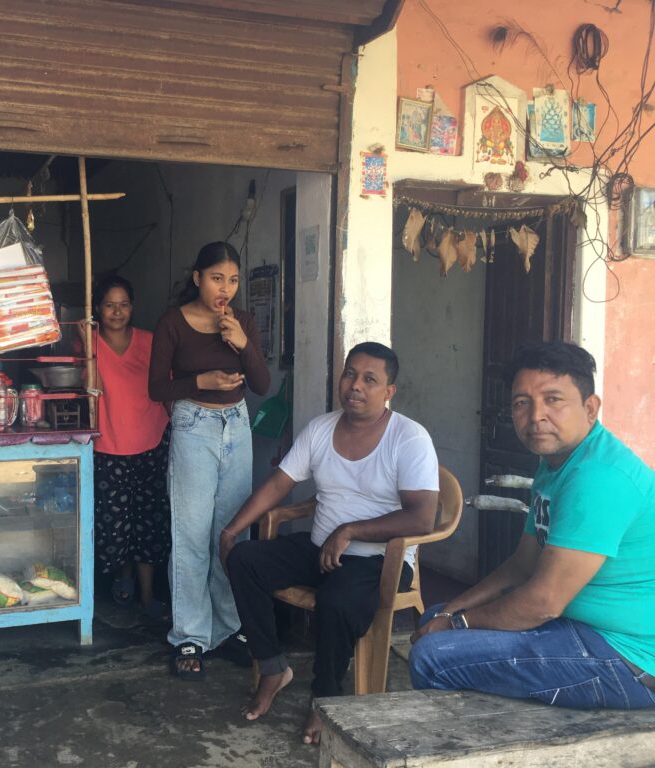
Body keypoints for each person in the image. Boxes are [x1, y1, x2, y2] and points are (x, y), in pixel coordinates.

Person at [409, 341, 655, 710]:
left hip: (626, 659)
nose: (536, 415)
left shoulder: (598, 478)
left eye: (553, 399)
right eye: (522, 402)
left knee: (434, 654)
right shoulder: (555, 463)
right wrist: (450, 614)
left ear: (590, 408)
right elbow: (522, 565)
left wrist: (457, 625)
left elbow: (543, 602)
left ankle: (473, 749)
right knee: (434, 617)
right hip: (577, 628)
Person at [220, 342, 439, 744]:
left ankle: (325, 697)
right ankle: (272, 667)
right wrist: (232, 531)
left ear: (389, 391)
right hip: (321, 549)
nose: (355, 385)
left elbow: (423, 516)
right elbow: (279, 484)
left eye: (369, 379)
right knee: (245, 558)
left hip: (380, 561)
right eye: (350, 374)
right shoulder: (321, 428)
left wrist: (351, 531)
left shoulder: (409, 437)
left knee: (336, 601)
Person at [149, 241, 271, 680]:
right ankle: (189, 634)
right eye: (217, 278)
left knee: (230, 531)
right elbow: (155, 389)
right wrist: (199, 380)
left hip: (237, 427)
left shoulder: (244, 323)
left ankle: (229, 626)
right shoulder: (172, 324)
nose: (226, 288)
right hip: (193, 426)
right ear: (198, 278)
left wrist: (242, 342)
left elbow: (260, 383)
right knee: (191, 535)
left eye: (233, 280)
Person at [77, 274, 172, 620]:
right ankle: (123, 577)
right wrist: (85, 340)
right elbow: (89, 386)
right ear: (97, 309)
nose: (117, 311)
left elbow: (166, 387)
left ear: (132, 307)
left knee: (149, 520)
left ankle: (148, 595)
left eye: (124, 304)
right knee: (115, 524)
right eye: (109, 305)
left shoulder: (150, 341)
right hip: (108, 444)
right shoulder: (88, 344)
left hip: (151, 441)